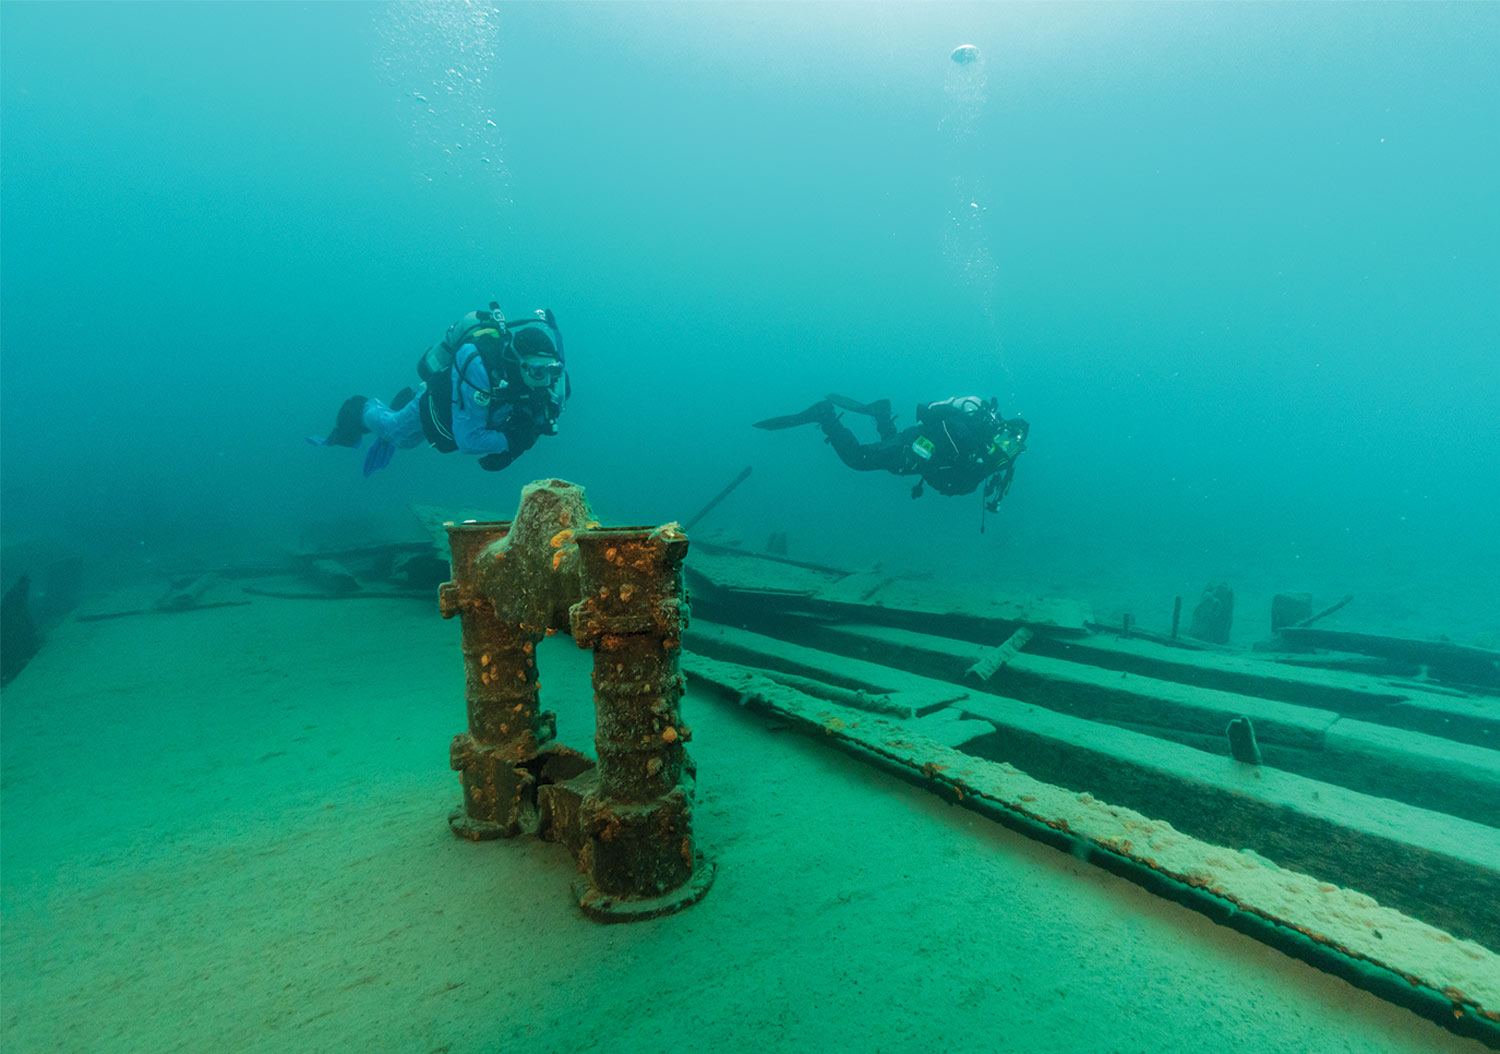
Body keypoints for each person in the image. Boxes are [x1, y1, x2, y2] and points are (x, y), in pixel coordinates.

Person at [310, 304, 569, 476]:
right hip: (439, 405)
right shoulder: (479, 365)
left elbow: (544, 418)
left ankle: (406, 397)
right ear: (518, 363)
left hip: (484, 409)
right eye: (537, 371)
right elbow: (468, 439)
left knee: (406, 440)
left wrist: (516, 448)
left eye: (553, 371)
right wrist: (512, 442)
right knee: (399, 436)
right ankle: (361, 407)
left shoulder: (552, 376)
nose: (547, 380)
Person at [754, 393, 1029, 516]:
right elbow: (951, 481)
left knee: (891, 453)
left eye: (1014, 447)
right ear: (1000, 430)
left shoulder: (984, 452)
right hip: (911, 449)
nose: (1008, 449)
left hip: (912, 449)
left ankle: (881, 411)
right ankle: (826, 416)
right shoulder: (972, 440)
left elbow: (953, 480)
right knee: (858, 460)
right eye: (1009, 442)